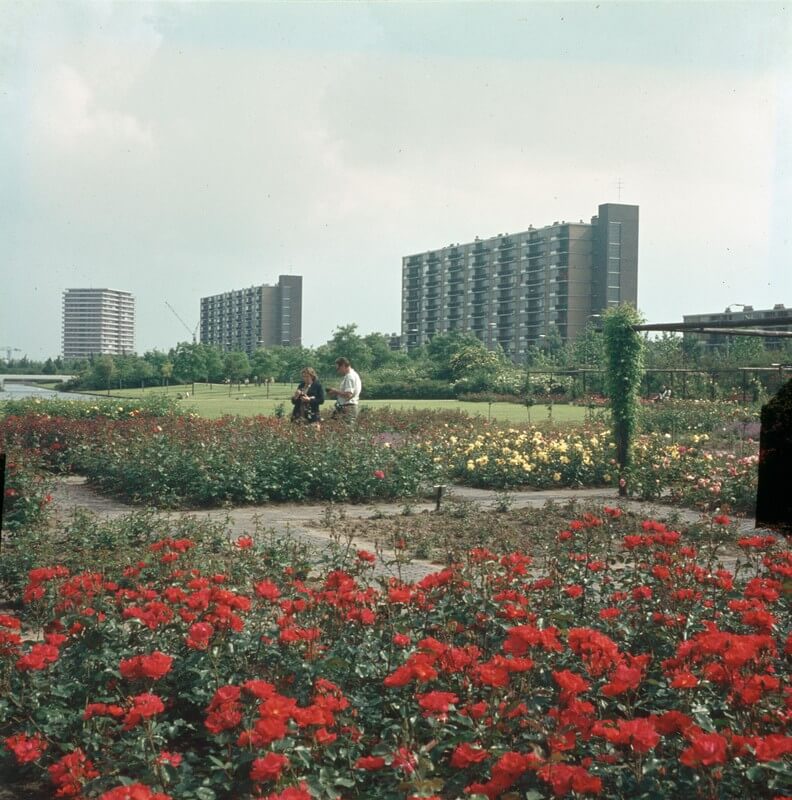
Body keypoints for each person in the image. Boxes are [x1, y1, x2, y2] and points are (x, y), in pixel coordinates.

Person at [327, 357, 362, 424]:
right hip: (348, 406)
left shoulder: (349, 377)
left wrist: (335, 391)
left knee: (344, 430)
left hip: (348, 407)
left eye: (338, 368)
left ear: (343, 365)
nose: (338, 371)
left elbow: (348, 394)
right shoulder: (353, 375)